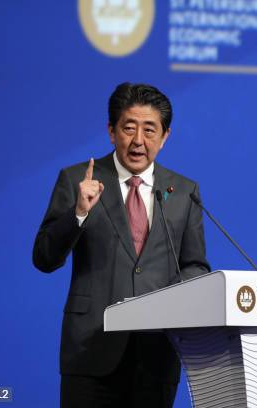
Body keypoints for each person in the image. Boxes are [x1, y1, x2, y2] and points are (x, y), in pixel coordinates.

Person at [33, 82, 210, 407]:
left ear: (165, 136)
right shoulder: (77, 180)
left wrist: (175, 299)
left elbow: (195, 265)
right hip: (91, 349)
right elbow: (44, 257)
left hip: (157, 351)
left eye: (149, 130)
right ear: (111, 131)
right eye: (129, 128)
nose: (138, 141)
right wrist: (79, 213)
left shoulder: (184, 191)